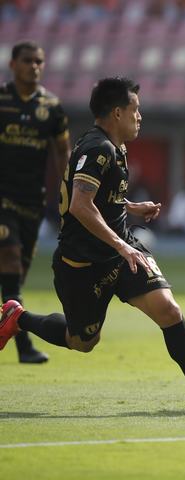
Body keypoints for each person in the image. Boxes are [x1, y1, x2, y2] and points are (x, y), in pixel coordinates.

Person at [0, 77, 185, 414]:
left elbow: (97, 194)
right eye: (135, 110)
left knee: (169, 310)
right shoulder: (97, 148)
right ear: (117, 113)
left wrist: (129, 208)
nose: (139, 117)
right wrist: (121, 245)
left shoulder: (115, 147)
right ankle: (18, 317)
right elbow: (80, 205)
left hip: (121, 252)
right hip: (83, 263)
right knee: (81, 341)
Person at [0, 40, 71, 363]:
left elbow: (62, 154)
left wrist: (67, 195)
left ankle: (14, 329)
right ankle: (24, 346)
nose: (34, 66)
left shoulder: (52, 107)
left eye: (39, 61)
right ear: (13, 64)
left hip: (33, 202)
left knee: (15, 277)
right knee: (10, 258)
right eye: (28, 60)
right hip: (2, 199)